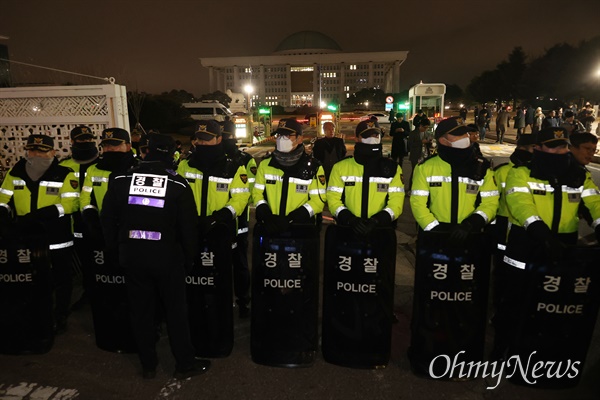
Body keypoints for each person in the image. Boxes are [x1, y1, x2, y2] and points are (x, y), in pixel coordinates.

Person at [100, 134, 211, 380]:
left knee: (141, 312)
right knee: (176, 313)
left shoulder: (121, 180)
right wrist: (189, 259)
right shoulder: (178, 185)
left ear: (145, 153)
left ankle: (148, 364)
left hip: (132, 257)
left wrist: (115, 250)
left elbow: (107, 219)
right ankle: (184, 363)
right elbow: (188, 229)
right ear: (172, 154)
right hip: (168, 260)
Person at [493, 127, 600, 359]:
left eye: (562, 145)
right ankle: (501, 348)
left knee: (553, 303)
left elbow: (594, 204)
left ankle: (542, 351)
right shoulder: (521, 173)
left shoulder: (580, 175)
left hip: (563, 248)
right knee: (514, 300)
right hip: (526, 245)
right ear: (538, 148)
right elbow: (521, 205)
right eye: (552, 146)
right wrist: (541, 234)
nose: (559, 150)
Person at [0, 134, 80, 334]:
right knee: (34, 278)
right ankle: (37, 313)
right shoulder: (14, 173)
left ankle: (60, 314)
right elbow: (2, 200)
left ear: (53, 152)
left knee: (62, 278)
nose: (37, 154)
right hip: (26, 238)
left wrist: (47, 213)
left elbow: (71, 203)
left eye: (42, 151)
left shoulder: (64, 173)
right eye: (33, 150)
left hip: (57, 237)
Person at [410, 116, 498, 243]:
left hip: (470, 234)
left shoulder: (481, 167)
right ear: (443, 140)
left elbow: (490, 202)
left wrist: (471, 224)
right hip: (435, 235)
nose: (466, 137)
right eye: (458, 134)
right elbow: (418, 203)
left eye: (466, 133)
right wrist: (435, 229)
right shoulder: (425, 167)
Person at [327, 119, 405, 235]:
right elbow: (333, 199)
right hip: (347, 230)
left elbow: (396, 202)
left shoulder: (392, 168)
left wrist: (378, 220)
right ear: (356, 138)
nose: (372, 139)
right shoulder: (340, 167)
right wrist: (350, 219)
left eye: (376, 135)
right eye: (367, 136)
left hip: (380, 231)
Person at [253, 118, 326, 235]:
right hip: (270, 229)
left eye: (287, 135)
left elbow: (318, 202)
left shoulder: (314, 167)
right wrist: (266, 215)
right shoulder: (265, 165)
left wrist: (291, 219)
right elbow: (257, 194)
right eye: (279, 135)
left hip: (300, 230)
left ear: (299, 138)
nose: (282, 139)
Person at [59, 125, 100, 309]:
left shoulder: (102, 162)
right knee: (86, 260)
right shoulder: (63, 166)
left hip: (99, 220)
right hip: (75, 222)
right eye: (81, 140)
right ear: (72, 142)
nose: (85, 143)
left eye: (88, 139)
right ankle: (89, 293)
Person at [221, 120, 257, 318]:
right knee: (236, 261)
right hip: (225, 219)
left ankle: (243, 300)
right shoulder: (216, 158)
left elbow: (249, 191)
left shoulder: (244, 160)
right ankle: (238, 300)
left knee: (239, 262)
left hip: (237, 219)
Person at [80, 128, 137, 245]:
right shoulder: (93, 170)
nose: (109, 149)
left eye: (114, 145)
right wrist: (91, 217)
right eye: (106, 145)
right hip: (103, 228)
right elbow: (85, 197)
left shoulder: (139, 169)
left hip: (133, 229)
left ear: (128, 146)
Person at [406, 118, 432, 190]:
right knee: (415, 172)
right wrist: (421, 142)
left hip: (425, 155)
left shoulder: (427, 133)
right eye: (424, 127)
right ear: (420, 126)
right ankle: (410, 188)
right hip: (416, 156)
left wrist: (430, 142)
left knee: (425, 173)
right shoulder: (413, 133)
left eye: (427, 128)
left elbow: (429, 145)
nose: (426, 129)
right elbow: (410, 144)